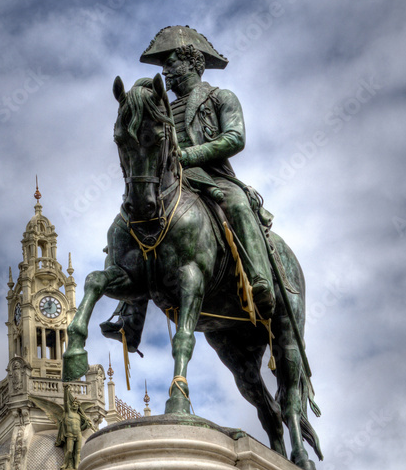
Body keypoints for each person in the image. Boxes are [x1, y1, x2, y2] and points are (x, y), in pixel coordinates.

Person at [101, 26, 277, 352]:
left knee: (237, 205)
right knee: (135, 223)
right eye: (163, 67)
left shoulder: (221, 98)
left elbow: (234, 138)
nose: (165, 72)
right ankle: (130, 316)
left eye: (170, 64)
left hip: (212, 176)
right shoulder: (161, 106)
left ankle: (259, 282)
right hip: (172, 181)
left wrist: (189, 155)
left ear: (191, 61)